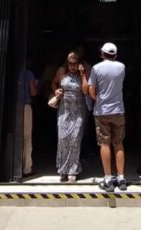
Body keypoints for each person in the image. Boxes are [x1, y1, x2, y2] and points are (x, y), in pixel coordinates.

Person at [85, 42, 127, 192]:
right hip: (118, 110)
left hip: (102, 111)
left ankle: (108, 179)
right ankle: (121, 178)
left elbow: (91, 90)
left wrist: (99, 100)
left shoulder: (96, 68)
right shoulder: (121, 67)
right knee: (118, 143)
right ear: (115, 54)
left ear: (102, 54)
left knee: (104, 144)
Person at [52, 51, 88, 182]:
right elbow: (54, 83)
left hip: (78, 112)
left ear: (79, 63)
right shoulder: (61, 72)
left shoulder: (82, 75)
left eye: (75, 63)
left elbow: (85, 90)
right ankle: (63, 169)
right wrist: (56, 91)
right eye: (70, 63)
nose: (72, 66)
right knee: (62, 139)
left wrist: (83, 74)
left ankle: (73, 169)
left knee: (75, 140)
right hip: (64, 111)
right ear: (67, 63)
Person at [19, 63, 38, 178]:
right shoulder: (28, 73)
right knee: (26, 137)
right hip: (25, 107)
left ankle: (14, 168)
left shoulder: (12, 72)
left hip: (12, 108)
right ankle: (26, 168)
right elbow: (33, 92)